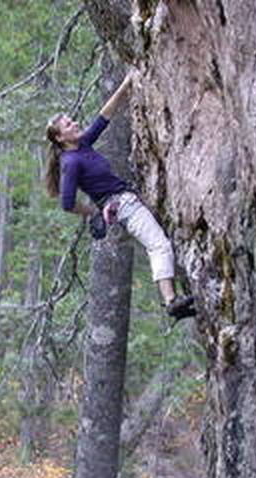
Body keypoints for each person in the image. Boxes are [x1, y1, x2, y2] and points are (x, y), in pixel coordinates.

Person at [44, 72, 196, 321]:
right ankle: (171, 301)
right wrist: (94, 211)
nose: (74, 124)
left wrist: (126, 84)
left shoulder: (81, 145)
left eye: (72, 121)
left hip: (128, 200)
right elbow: (67, 203)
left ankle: (179, 293)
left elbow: (103, 117)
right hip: (122, 206)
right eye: (68, 125)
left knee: (163, 242)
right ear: (60, 138)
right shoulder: (70, 162)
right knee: (158, 244)